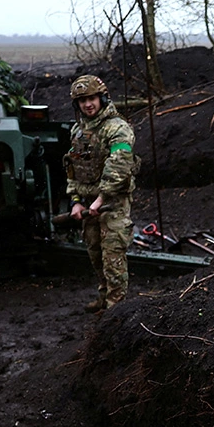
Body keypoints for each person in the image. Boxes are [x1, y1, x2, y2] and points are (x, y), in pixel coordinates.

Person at [63, 75, 137, 312]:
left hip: (112, 203)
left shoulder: (117, 128)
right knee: (95, 253)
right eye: (82, 100)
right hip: (89, 205)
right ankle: (104, 297)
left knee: (113, 256)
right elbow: (73, 168)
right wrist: (76, 201)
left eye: (92, 98)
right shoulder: (78, 131)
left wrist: (101, 198)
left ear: (102, 98)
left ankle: (116, 310)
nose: (88, 104)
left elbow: (119, 165)